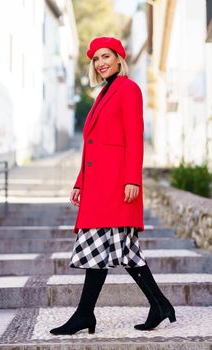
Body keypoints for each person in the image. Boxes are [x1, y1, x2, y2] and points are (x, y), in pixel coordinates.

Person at [50, 36, 176, 336]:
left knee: (104, 247)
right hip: (99, 186)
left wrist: (133, 178)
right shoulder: (104, 93)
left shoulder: (128, 89)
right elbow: (91, 145)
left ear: (120, 58)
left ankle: (85, 315)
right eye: (96, 58)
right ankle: (159, 305)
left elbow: (135, 136)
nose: (101, 62)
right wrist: (81, 182)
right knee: (121, 250)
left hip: (117, 186)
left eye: (106, 56)